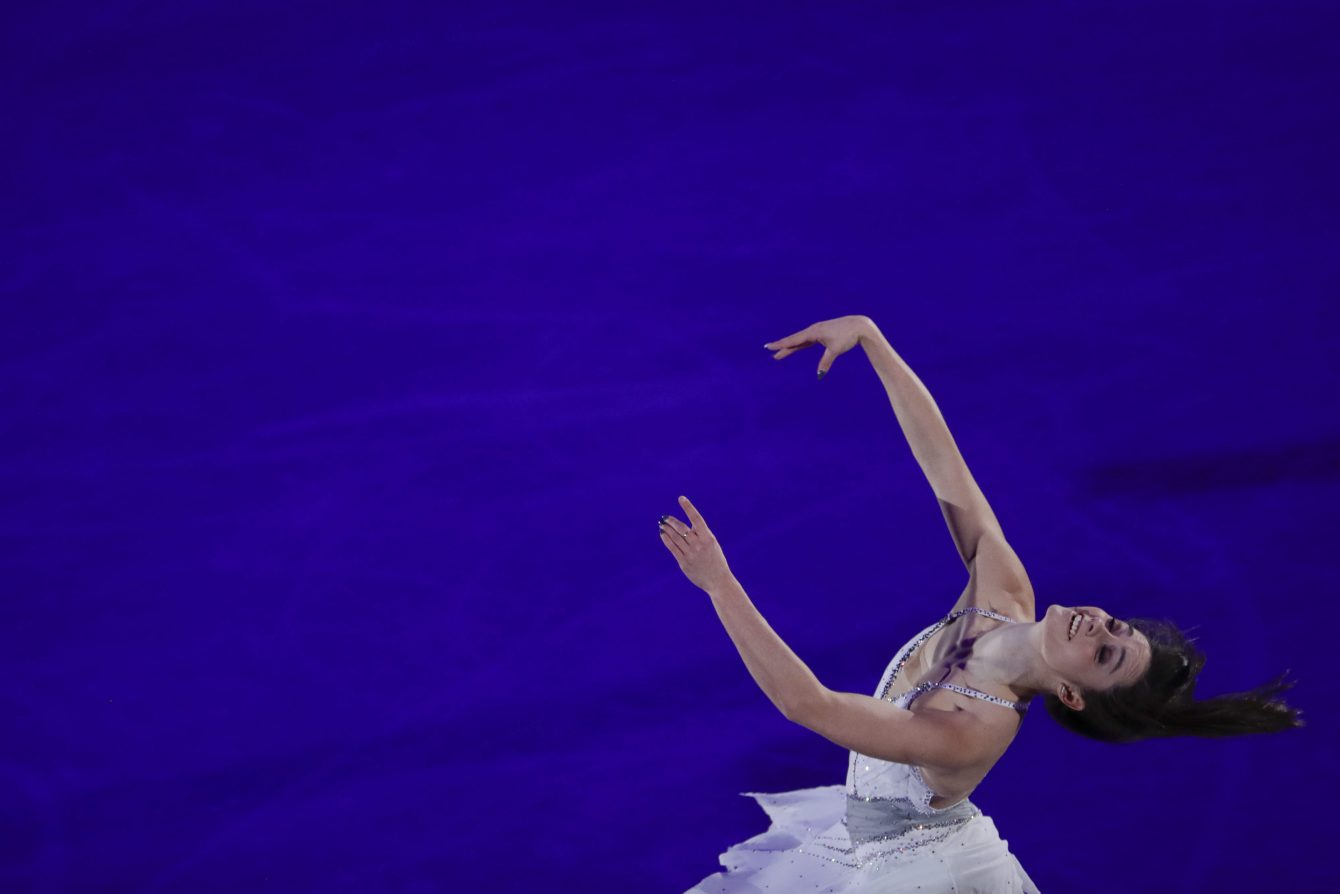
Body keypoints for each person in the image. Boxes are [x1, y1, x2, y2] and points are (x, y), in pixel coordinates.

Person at [657, 315, 1304, 893]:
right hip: (868, 841)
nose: (1097, 624)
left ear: (1073, 695)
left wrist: (721, 585)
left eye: (1103, 653)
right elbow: (943, 462)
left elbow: (810, 706)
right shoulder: (1003, 592)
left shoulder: (971, 731)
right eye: (1118, 625)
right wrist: (874, 338)